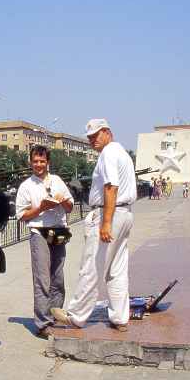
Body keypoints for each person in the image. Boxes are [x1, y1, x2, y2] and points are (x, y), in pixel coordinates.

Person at [51, 118, 136, 332]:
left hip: (110, 213)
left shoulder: (108, 153)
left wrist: (105, 222)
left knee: (91, 267)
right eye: (89, 137)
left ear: (107, 132)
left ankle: (76, 316)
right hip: (124, 213)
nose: (92, 140)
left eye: (96, 135)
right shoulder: (122, 153)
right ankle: (120, 317)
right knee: (117, 268)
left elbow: (111, 187)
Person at [15, 145, 74, 338]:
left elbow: (70, 207)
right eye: (35, 161)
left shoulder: (57, 180)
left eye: (42, 161)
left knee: (58, 277)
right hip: (39, 231)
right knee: (42, 279)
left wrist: (63, 201)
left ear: (48, 162)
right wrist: (41, 207)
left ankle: (55, 314)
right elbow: (22, 215)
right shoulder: (26, 186)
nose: (38, 164)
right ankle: (42, 323)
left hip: (58, 230)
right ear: (30, 162)